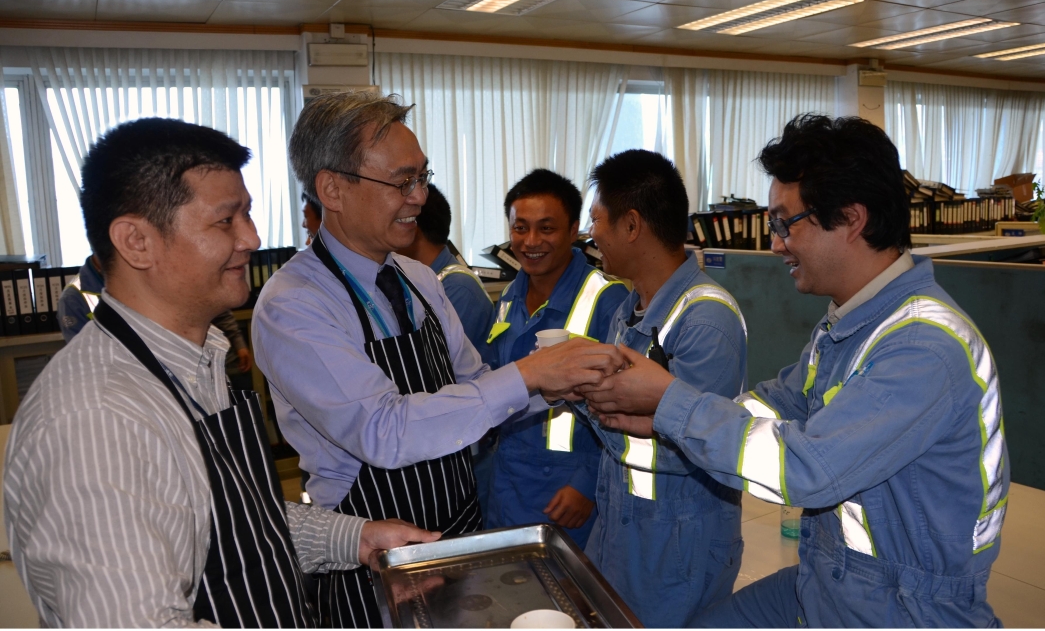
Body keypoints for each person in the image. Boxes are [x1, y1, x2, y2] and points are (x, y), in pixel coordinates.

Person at [3, 118, 438, 628]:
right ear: (136, 241)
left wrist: (356, 538)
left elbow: (224, 520)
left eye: (248, 214)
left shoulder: (196, 361)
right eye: (225, 221)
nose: (252, 238)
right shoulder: (96, 418)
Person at [584, 115, 1009, 628]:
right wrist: (659, 418)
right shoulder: (850, 325)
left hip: (904, 605)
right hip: (831, 576)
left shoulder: (923, 347)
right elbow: (776, 404)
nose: (775, 245)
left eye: (786, 224)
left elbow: (807, 469)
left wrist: (672, 399)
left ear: (851, 219)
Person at [251, 92, 622, 628]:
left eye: (423, 177)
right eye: (402, 182)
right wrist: (528, 375)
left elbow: (478, 392)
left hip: (456, 533)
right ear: (332, 188)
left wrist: (562, 386)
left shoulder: (419, 282)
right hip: (371, 558)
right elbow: (384, 430)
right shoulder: (295, 305)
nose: (421, 197)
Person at [574, 150, 747, 627]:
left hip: (676, 542)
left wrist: (589, 402)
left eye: (597, 220)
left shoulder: (705, 320)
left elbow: (699, 447)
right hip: (622, 528)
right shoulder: (628, 309)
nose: (592, 235)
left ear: (632, 226)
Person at [483, 169, 628, 549]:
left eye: (546, 229)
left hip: (565, 490)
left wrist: (588, 482)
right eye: (520, 228)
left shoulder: (606, 299)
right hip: (508, 479)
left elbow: (626, 403)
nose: (530, 242)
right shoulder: (510, 298)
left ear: (574, 230)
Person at [59, 254, 255, 377]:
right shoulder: (74, 298)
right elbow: (87, 366)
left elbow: (209, 300)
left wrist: (237, 341)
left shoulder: (153, 270)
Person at [398, 183, 494, 354]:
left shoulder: (458, 286)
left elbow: (435, 362)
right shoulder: (419, 279)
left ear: (414, 228)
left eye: (399, 221)